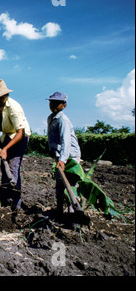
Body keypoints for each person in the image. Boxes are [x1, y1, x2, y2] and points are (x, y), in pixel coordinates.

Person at [0, 79, 31, 210]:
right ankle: (5, 199)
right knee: (4, 168)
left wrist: (5, 148)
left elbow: (19, 133)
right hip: (6, 135)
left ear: (4, 96)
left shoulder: (14, 108)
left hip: (19, 138)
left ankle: (15, 204)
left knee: (13, 168)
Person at [47, 91, 82, 219]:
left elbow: (65, 141)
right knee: (60, 184)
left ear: (64, 105)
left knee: (71, 184)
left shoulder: (63, 120)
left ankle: (73, 213)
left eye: (56, 103)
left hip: (70, 156)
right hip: (60, 155)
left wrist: (63, 159)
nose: (53, 105)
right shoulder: (51, 118)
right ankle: (59, 211)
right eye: (51, 102)